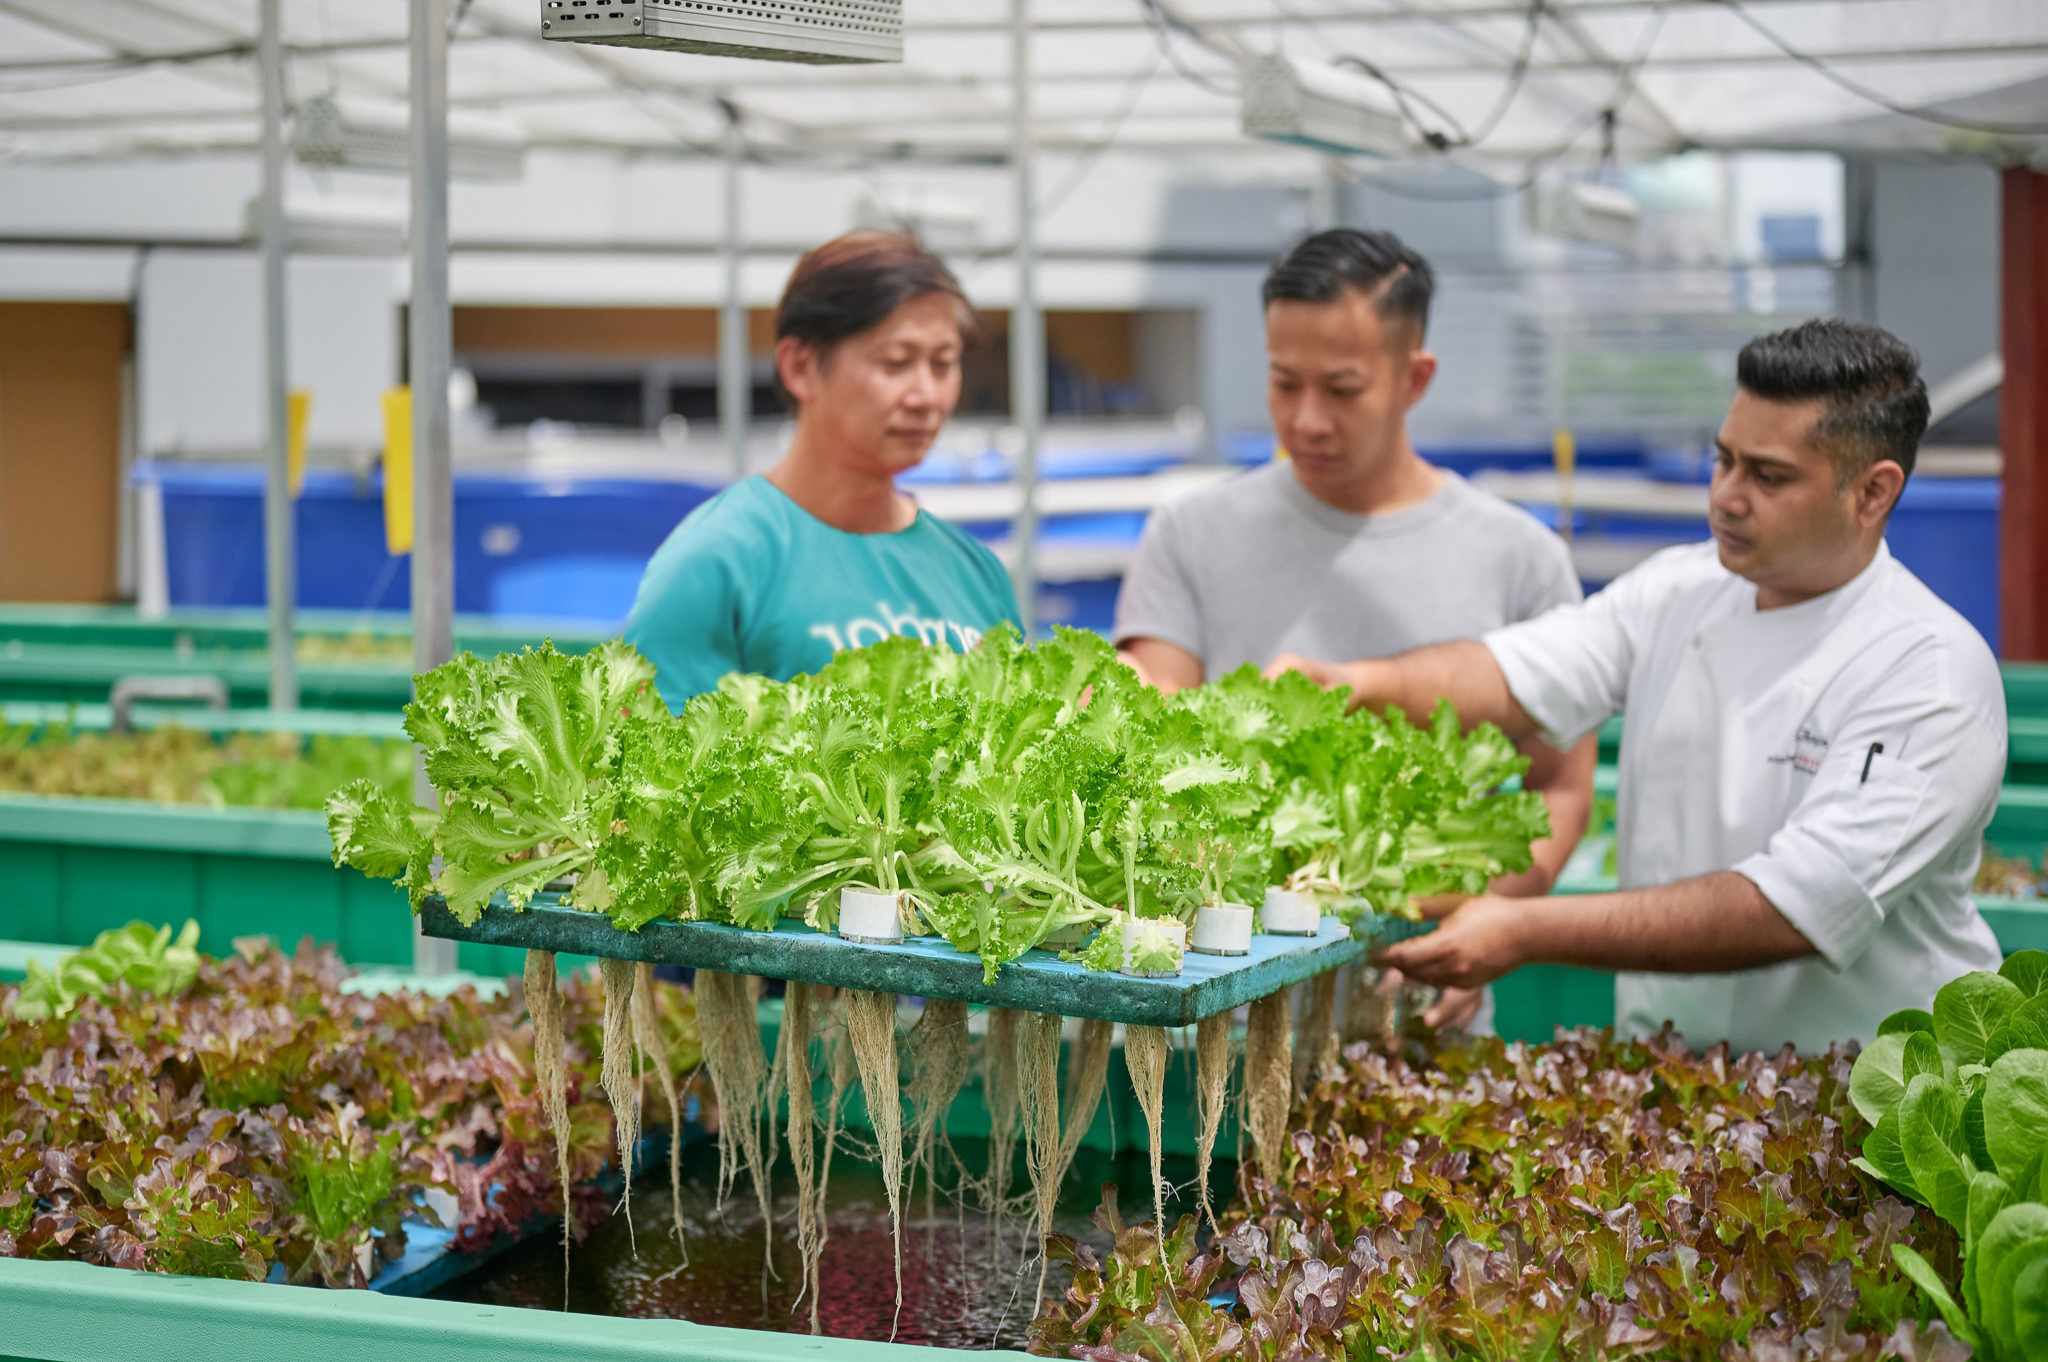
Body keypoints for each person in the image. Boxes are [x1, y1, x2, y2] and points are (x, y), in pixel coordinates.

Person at [1271, 318, 2006, 1053]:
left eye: (1769, 476)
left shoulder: (1927, 670)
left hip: (1867, 1110)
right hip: (1675, 1081)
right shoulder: (1677, 591)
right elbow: (1511, 673)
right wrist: (1351, 683)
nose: (1726, 496)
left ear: (1873, 492)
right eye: (1723, 461)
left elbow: (1790, 910)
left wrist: (1523, 929)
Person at [1114, 228, 1597, 1029]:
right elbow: (1155, 701)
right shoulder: (1191, 531)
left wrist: (1488, 923)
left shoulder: (1520, 557)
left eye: (1342, 389)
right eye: (1283, 382)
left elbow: (1561, 786)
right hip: (1222, 1013)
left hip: (1417, 1006)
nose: (1306, 419)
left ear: (1416, 378)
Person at [625, 231, 1020, 709]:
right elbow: (655, 768)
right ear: (801, 367)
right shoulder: (715, 563)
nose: (927, 396)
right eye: (896, 363)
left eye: (943, 364)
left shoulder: (976, 573)